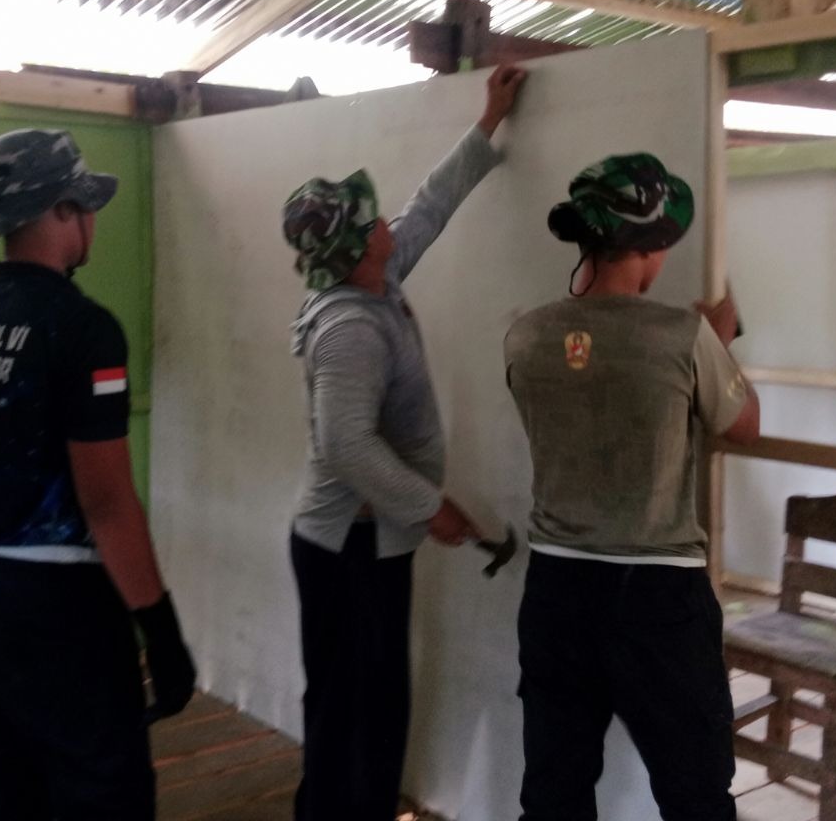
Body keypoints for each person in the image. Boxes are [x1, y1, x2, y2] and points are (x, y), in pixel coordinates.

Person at [0, 129, 195, 821]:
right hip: (58, 598)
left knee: (4, 777)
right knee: (104, 788)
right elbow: (106, 501)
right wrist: (161, 631)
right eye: (87, 205)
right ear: (65, 209)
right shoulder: (84, 327)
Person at [281, 64, 528, 821]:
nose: (389, 221)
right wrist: (431, 507)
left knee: (368, 699)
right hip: (345, 549)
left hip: (367, 542)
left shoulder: (375, 280)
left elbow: (430, 206)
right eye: (373, 219)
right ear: (358, 247)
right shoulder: (350, 327)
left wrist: (489, 120)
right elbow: (346, 447)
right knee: (357, 707)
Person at [503, 153, 761, 821]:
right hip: (658, 596)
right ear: (650, 246)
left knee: (555, 791)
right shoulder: (683, 335)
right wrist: (721, 344)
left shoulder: (525, 335)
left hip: (556, 590)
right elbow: (744, 426)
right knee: (696, 793)